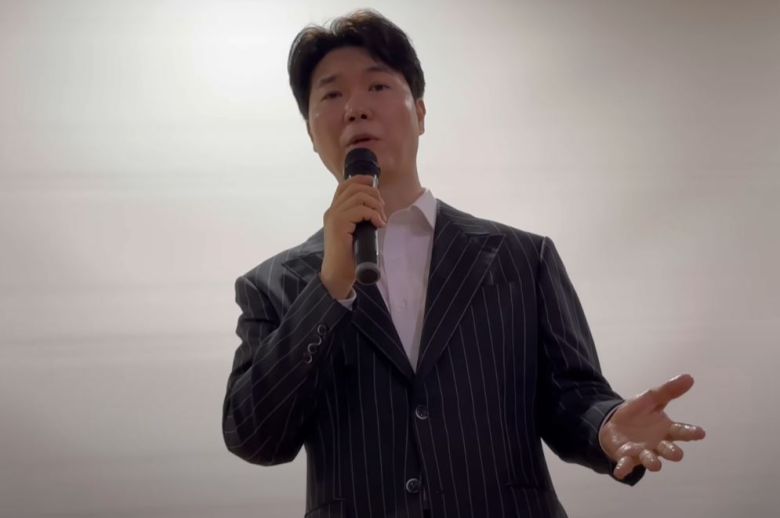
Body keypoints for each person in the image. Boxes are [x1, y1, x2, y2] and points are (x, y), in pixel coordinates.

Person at [221, 9, 706, 518]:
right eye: (332, 94)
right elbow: (255, 436)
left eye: (378, 86)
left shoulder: (523, 258)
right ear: (310, 132)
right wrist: (328, 291)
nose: (356, 109)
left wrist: (605, 424)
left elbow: (571, 395)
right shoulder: (272, 285)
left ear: (421, 113)